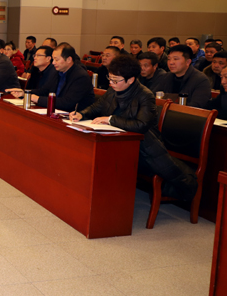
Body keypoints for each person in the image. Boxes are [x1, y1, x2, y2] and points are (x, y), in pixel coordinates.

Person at [70, 56, 197, 202]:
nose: (111, 83)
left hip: (144, 149)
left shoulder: (145, 95)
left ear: (130, 80)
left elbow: (141, 125)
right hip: (118, 142)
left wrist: (111, 119)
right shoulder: (113, 90)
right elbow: (96, 107)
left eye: (115, 80)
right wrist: (82, 114)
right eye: (110, 79)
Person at [11, 43, 94, 112]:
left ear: (69, 59)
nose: (53, 63)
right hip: (57, 112)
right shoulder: (57, 71)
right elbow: (45, 91)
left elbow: (67, 103)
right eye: (53, 59)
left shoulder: (80, 76)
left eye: (56, 60)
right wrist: (25, 93)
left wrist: (37, 99)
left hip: (75, 117)